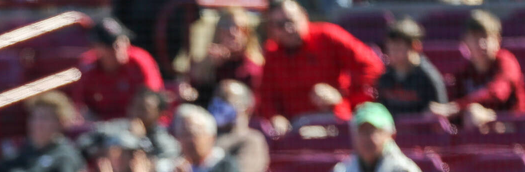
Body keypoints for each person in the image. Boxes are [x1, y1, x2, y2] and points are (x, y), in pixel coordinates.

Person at [258, 0, 381, 130]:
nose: (289, 28)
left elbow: (372, 67)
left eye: (291, 20)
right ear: (271, 29)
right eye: (280, 25)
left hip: (336, 123)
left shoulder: (327, 36)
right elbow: (267, 97)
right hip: (294, 131)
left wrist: (343, 97)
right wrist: (275, 117)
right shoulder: (272, 53)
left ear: (304, 16)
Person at [0, 91, 84, 172]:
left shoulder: (65, 156)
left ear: (60, 122)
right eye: (34, 117)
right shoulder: (22, 152)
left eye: (44, 118)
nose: (37, 123)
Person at [433, 11, 525, 124]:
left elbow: (497, 94)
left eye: (486, 37)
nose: (482, 44)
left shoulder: (506, 62)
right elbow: (451, 105)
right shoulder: (465, 72)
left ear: (498, 40)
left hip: (514, 130)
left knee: (473, 114)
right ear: (465, 42)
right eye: (476, 38)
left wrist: (458, 107)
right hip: (478, 134)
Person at [73, 17, 163, 121]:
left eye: (121, 42)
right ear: (96, 48)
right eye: (110, 45)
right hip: (102, 126)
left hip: (138, 124)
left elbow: (152, 99)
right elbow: (80, 105)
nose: (117, 48)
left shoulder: (139, 62)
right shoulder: (89, 66)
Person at [186, 8, 263, 107]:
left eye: (239, 28)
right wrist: (209, 67)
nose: (232, 32)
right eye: (226, 26)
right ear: (218, 31)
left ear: (247, 33)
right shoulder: (207, 61)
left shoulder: (254, 66)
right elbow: (194, 95)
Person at [376, 18, 447, 116]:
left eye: (397, 48)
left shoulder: (428, 77)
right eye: (389, 48)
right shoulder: (385, 77)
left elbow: (441, 114)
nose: (392, 53)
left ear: (415, 46)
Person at [211, 80, 268, 172]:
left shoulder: (251, 139)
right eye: (216, 99)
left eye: (225, 101)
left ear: (246, 108)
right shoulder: (206, 137)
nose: (218, 105)